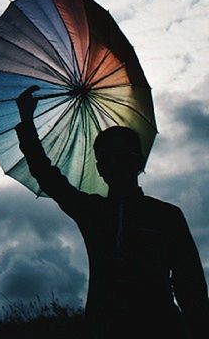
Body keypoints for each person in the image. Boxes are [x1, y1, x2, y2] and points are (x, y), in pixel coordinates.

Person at [15, 85, 209, 339]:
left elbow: (190, 285)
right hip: (105, 328)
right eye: (104, 160)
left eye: (121, 156)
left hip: (162, 327)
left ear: (138, 162)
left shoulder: (166, 216)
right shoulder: (92, 211)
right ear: (100, 168)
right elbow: (47, 176)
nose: (113, 165)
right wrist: (27, 122)